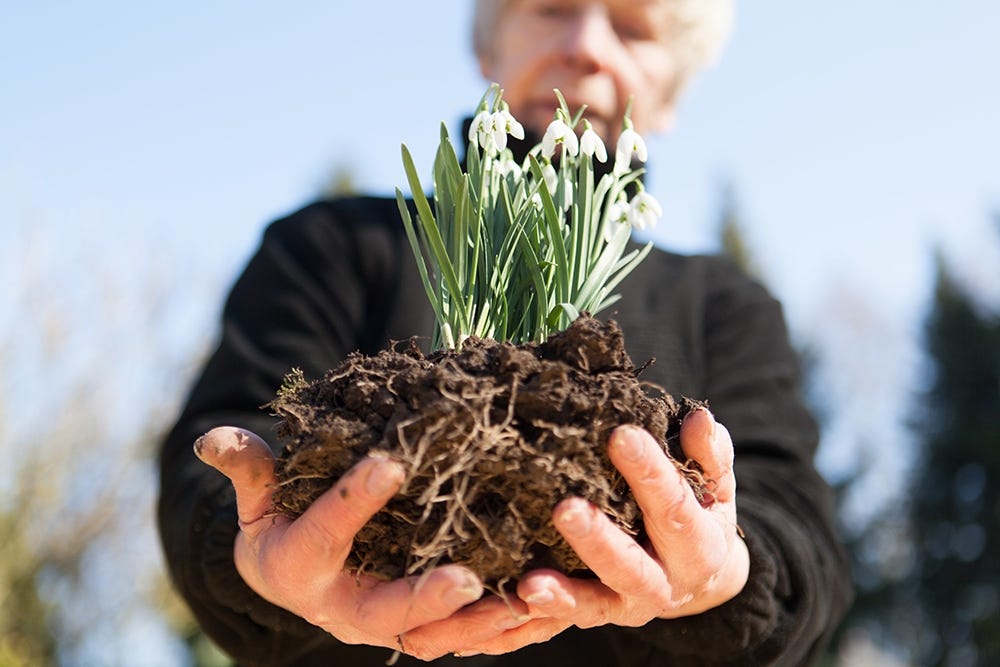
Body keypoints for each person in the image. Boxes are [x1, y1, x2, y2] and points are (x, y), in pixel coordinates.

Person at [158, 1, 852, 665]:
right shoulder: (333, 249)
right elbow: (224, 456)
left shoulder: (724, 305)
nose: (585, 45)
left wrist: (726, 574)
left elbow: (797, 537)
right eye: (550, 7)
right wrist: (253, 553)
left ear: (670, 95)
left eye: (635, 28)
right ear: (488, 47)